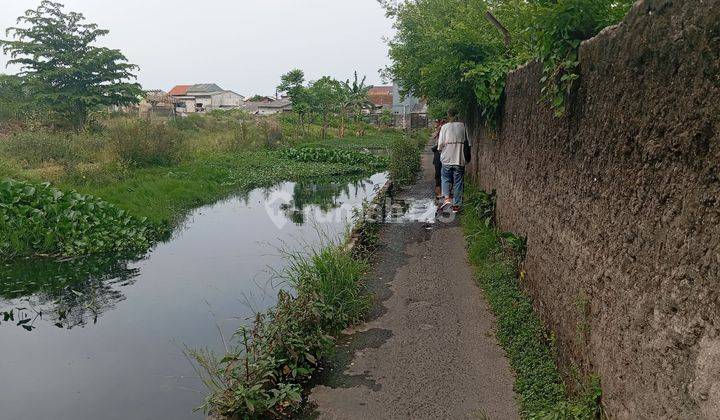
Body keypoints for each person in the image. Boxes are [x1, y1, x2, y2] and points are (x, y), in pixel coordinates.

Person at [437, 108, 468, 213]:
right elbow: (469, 143)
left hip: (447, 158)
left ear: (448, 115)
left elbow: (440, 145)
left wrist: (442, 150)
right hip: (459, 159)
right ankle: (457, 205)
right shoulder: (463, 126)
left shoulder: (444, 127)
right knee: (458, 181)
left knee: (445, 178)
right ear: (457, 115)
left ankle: (447, 199)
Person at [431, 118, 447, 200]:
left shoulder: (442, 130)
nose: (435, 124)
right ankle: (441, 193)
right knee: (440, 174)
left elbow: (438, 145)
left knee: (440, 174)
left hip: (441, 154)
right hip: (441, 155)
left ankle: (440, 193)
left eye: (436, 122)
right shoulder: (439, 130)